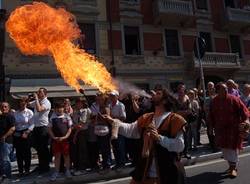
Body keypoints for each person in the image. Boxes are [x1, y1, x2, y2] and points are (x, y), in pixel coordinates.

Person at [102, 88, 186, 184]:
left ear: (165, 100)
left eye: (158, 93)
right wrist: (113, 122)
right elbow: (130, 130)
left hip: (167, 173)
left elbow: (180, 146)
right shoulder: (147, 117)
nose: (153, 94)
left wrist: (159, 138)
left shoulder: (175, 119)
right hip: (145, 171)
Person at [209, 83, 249, 178]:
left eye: (226, 88)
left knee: (232, 150)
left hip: (233, 130)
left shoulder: (234, 99)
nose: (226, 90)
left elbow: (244, 112)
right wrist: (210, 127)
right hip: (220, 130)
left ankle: (233, 168)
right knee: (225, 150)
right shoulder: (214, 101)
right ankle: (231, 166)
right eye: (223, 89)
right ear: (218, 91)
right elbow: (211, 115)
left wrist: (246, 122)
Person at [29, 88, 51, 173]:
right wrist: (28, 98)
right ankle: (41, 165)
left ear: (45, 94)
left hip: (43, 127)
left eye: (40, 92)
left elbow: (39, 109)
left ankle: (46, 166)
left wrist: (36, 99)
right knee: (38, 148)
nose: (38, 93)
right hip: (36, 127)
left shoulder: (47, 102)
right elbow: (28, 105)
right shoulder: (37, 101)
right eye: (38, 92)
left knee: (43, 148)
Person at [48, 102, 72, 181]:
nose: (59, 109)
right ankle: (56, 172)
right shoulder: (52, 117)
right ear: (55, 109)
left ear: (63, 108)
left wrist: (65, 137)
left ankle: (68, 171)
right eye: (57, 108)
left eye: (61, 108)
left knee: (66, 156)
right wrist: (53, 137)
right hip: (56, 140)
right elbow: (49, 129)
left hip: (65, 140)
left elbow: (70, 128)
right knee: (57, 156)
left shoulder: (67, 116)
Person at [13, 97, 34, 176]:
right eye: (21, 102)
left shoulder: (29, 112)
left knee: (27, 153)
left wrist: (27, 132)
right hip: (17, 133)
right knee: (19, 153)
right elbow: (14, 124)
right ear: (19, 103)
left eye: (24, 102)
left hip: (27, 132)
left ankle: (27, 170)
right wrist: (15, 132)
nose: (22, 104)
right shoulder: (15, 113)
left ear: (26, 103)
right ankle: (20, 170)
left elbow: (32, 124)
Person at [91, 93, 112, 171]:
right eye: (98, 99)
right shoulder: (98, 107)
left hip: (105, 131)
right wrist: (96, 118)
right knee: (101, 148)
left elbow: (107, 119)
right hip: (98, 130)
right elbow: (94, 120)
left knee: (105, 148)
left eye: (100, 99)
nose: (99, 101)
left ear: (104, 100)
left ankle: (107, 165)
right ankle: (104, 164)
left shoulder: (106, 108)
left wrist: (104, 118)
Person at [71, 97, 91, 174]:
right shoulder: (76, 111)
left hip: (82, 132)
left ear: (83, 103)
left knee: (82, 150)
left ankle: (83, 168)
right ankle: (77, 167)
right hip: (76, 132)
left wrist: (75, 135)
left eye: (79, 102)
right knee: (76, 150)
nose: (77, 104)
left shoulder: (85, 111)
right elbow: (74, 122)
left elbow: (81, 124)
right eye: (77, 102)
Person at [109, 90, 127, 169]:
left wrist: (112, 118)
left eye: (113, 96)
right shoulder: (109, 105)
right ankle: (117, 163)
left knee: (120, 146)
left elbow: (123, 117)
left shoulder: (120, 105)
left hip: (119, 128)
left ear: (117, 96)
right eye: (111, 96)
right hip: (112, 128)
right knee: (115, 146)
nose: (111, 97)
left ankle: (122, 163)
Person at [0, 102, 15, 182]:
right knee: (1, 160)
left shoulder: (10, 116)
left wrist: (4, 136)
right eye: (2, 107)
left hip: (7, 141)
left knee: (6, 159)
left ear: (8, 108)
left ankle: (7, 177)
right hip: (1, 141)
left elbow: (13, 128)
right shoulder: (1, 116)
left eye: (5, 107)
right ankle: (2, 175)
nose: (4, 108)